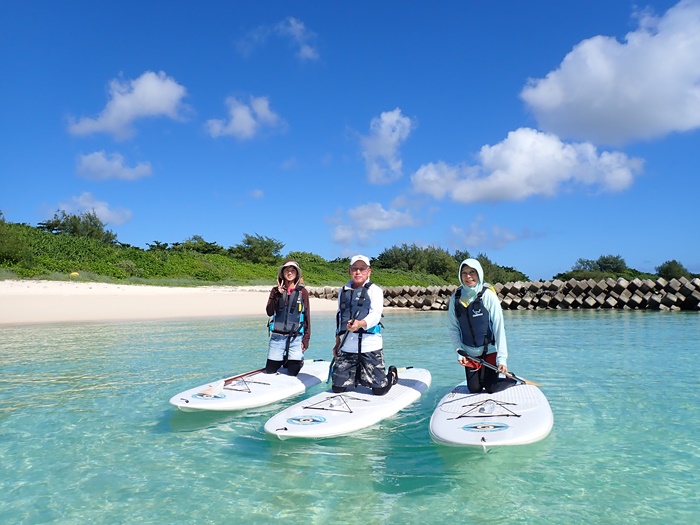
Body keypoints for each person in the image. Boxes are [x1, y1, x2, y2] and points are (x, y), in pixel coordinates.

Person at [331, 255, 398, 395]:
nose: (358, 272)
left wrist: (360, 324)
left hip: (370, 346)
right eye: (354, 269)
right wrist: (337, 342)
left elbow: (375, 314)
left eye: (362, 269)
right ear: (349, 271)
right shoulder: (342, 291)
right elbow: (339, 317)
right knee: (337, 388)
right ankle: (355, 375)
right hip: (347, 346)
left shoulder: (375, 290)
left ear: (369, 271)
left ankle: (392, 374)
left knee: (380, 391)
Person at [448, 258, 515, 393]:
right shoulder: (455, 298)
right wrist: (459, 351)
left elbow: (499, 327)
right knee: (474, 388)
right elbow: (453, 327)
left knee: (491, 388)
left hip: (489, 351)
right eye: (464, 273)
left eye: (472, 272)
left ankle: (510, 378)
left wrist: (502, 359)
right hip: (470, 354)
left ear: (479, 273)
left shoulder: (488, 295)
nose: (468, 276)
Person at [264, 259, 310, 376]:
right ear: (282, 273)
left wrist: (305, 340)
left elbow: (307, 317)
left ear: (297, 274)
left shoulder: (302, 292)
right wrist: (277, 295)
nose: (290, 273)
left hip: (295, 337)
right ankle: (284, 359)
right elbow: (269, 312)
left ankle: (295, 359)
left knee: (293, 371)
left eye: (293, 270)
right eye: (287, 270)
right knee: (270, 370)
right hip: (277, 337)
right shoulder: (275, 291)